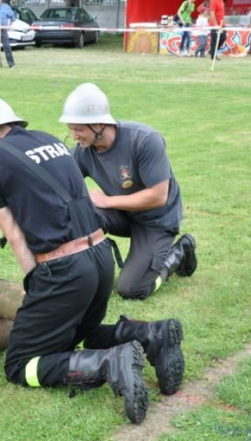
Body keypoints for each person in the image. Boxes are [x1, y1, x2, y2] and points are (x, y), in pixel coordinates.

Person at [0, 94, 186, 425]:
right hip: (100, 256)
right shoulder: (49, 140)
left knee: (21, 365)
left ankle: (110, 364)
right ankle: (150, 335)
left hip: (65, 269)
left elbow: (12, 233)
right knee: (78, 334)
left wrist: (35, 283)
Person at [61, 83, 197, 301]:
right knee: (79, 211)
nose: (74, 136)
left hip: (157, 220)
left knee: (132, 289)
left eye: (79, 129)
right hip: (123, 215)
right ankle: (85, 275)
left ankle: (179, 254)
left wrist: (108, 201)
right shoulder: (84, 150)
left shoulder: (144, 140)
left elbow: (158, 196)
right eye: (71, 129)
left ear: (99, 124)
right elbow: (60, 176)